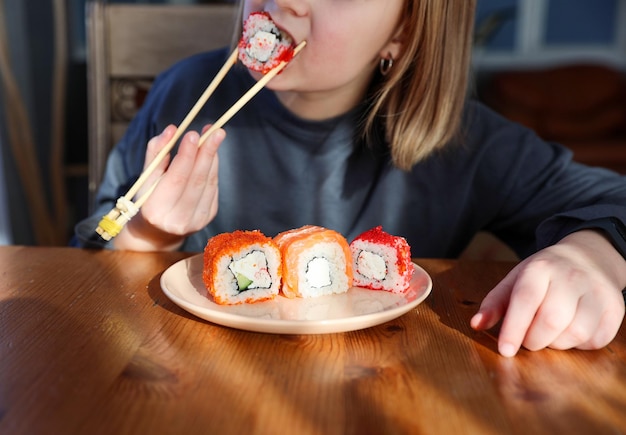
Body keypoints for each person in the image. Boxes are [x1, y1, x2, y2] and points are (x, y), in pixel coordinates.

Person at [75, 0, 626, 357]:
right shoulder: (185, 95)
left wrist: (590, 256)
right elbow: (91, 253)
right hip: (188, 373)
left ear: (403, 30)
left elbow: (612, 199)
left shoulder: (462, 140)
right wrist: (150, 233)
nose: (285, 0)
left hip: (396, 383)